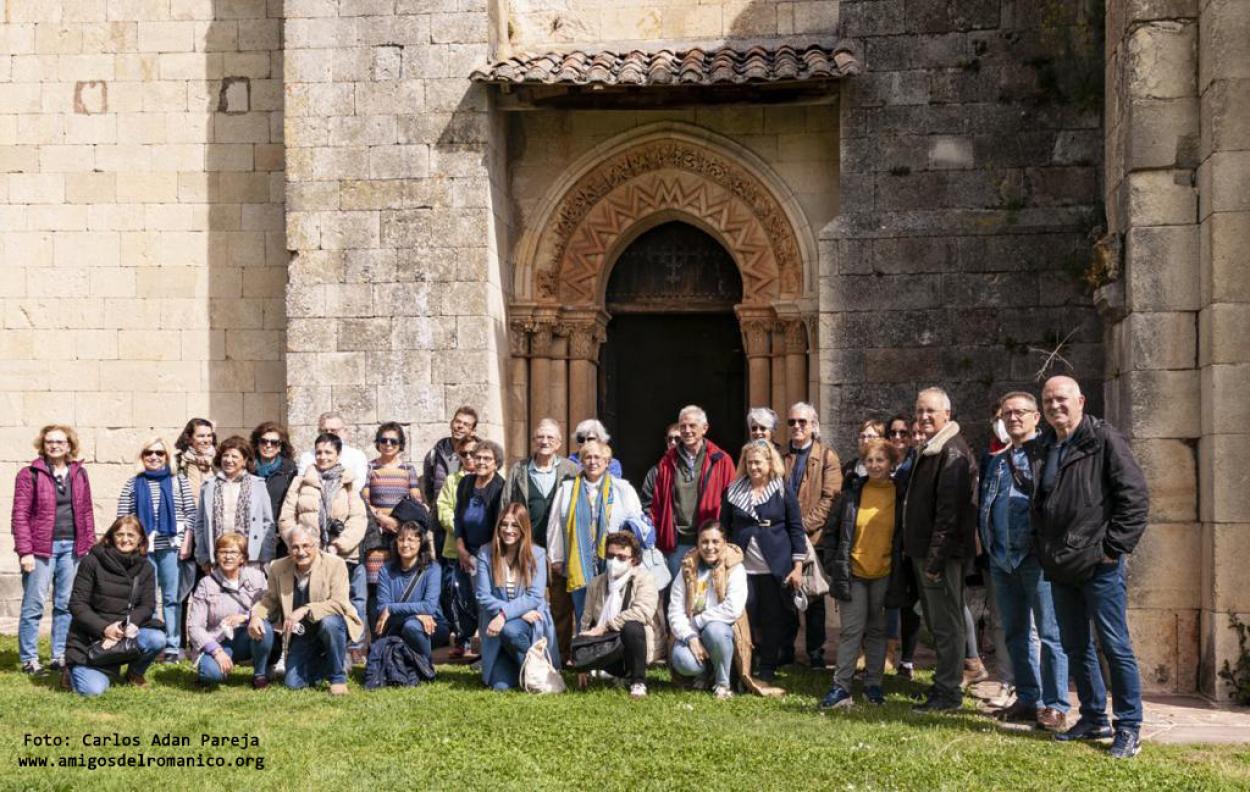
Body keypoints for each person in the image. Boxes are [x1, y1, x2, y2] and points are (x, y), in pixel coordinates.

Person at [1034, 376, 1148, 759]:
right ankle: (1094, 716)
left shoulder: (1104, 439)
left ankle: (1129, 726)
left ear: (1080, 400)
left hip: (1099, 564)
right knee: (1075, 646)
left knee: (1115, 645)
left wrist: (1112, 549)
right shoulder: (1047, 445)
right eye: (1048, 401)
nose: (1055, 406)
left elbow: (1135, 497)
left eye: (1062, 399)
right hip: (1061, 564)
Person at [979, 391, 1069, 730]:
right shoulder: (997, 461)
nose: (1013, 418)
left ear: (1036, 417)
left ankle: (1055, 704)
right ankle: (1028, 698)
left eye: (1020, 412)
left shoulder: (1048, 456)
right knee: (1015, 633)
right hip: (1003, 559)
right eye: (1007, 413)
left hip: (1036, 558)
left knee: (1049, 633)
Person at [902, 387, 979, 713]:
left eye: (930, 411)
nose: (923, 417)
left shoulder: (952, 453)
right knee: (938, 623)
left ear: (947, 413)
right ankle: (943, 685)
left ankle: (948, 693)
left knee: (947, 625)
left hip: (941, 556)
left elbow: (949, 515)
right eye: (920, 411)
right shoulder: (935, 448)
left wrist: (934, 560)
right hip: (927, 553)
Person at [819, 438, 907, 709]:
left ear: (892, 463)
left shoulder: (901, 494)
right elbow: (832, 531)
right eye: (869, 460)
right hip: (854, 571)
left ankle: (873, 685)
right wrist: (834, 565)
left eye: (880, 460)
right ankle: (841, 686)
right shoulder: (852, 493)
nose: (874, 465)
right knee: (851, 631)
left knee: (878, 631)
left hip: (885, 572)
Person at [12, 424, 96, 675]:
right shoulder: (30, 474)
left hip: (72, 548)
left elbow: (87, 512)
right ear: (43, 444)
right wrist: (24, 551)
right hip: (41, 549)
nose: (55, 445)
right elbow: (20, 515)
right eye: (50, 441)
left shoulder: (79, 473)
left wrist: (88, 544)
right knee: (33, 605)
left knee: (65, 604)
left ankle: (59, 655)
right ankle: (29, 658)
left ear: (69, 445)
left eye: (60, 441)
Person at [721, 440, 806, 684]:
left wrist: (797, 566)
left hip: (774, 566)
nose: (753, 467)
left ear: (770, 464)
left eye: (758, 462)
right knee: (746, 615)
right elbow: (724, 526)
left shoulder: (781, 488)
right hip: (742, 567)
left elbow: (795, 528)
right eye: (749, 462)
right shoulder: (733, 490)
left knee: (772, 617)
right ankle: (745, 662)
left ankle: (768, 665)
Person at [280, 432, 369, 663]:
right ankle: (307, 651)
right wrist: (299, 544)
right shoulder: (300, 482)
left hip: (342, 555)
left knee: (349, 601)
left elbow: (358, 519)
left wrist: (340, 545)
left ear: (338, 454)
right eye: (319, 452)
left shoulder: (348, 483)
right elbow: (287, 518)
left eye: (328, 452)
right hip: (309, 557)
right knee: (311, 603)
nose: (323, 456)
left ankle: (349, 650)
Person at [247, 526, 363, 694]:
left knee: (329, 623)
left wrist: (305, 609)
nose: (300, 552)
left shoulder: (335, 564)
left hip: (332, 626)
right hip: (302, 633)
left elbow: (339, 603)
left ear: (317, 545)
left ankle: (338, 677)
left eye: (306, 546)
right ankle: (334, 661)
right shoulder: (278, 567)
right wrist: (256, 615)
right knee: (293, 683)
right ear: (288, 548)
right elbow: (270, 600)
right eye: (295, 547)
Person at [547, 439, 644, 633]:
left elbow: (637, 523)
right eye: (587, 457)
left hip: (613, 561)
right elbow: (556, 524)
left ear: (607, 462)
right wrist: (556, 557)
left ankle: (612, 651)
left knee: (612, 607)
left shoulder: (622, 489)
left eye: (598, 457)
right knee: (584, 610)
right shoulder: (567, 489)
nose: (592, 462)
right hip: (578, 562)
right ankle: (586, 649)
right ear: (581, 461)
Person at [64, 516, 166, 696]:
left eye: (131, 535)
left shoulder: (146, 567)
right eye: (120, 534)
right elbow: (77, 605)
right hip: (91, 638)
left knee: (156, 639)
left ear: (141, 539)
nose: (125, 539)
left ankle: (134, 674)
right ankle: (71, 673)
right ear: (111, 537)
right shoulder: (92, 561)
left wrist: (122, 628)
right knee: (93, 691)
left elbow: (148, 605)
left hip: (122, 633)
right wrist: (104, 629)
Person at [669, 521, 772, 699]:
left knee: (714, 630)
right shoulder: (687, 567)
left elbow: (732, 608)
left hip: (722, 631)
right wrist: (691, 636)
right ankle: (704, 672)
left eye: (715, 542)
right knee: (682, 660)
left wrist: (699, 621)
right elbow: (675, 610)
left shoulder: (735, 568)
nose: (710, 547)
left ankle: (723, 683)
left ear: (725, 543)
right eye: (704, 542)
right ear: (697, 544)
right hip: (692, 631)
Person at [503, 418, 580, 656]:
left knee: (560, 605)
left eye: (550, 438)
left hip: (560, 549)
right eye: (540, 437)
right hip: (527, 547)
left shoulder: (571, 470)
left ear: (558, 443)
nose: (544, 442)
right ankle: (528, 652)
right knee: (527, 601)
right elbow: (505, 506)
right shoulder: (519, 470)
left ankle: (561, 655)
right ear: (533, 441)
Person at [116, 435, 196, 663]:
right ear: (142, 457)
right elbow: (122, 518)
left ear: (167, 456)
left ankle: (172, 646)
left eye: (159, 453)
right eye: (148, 453)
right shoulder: (133, 483)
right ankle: (149, 644)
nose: (153, 457)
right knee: (146, 599)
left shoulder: (178, 481)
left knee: (172, 598)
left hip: (171, 548)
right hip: (142, 551)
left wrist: (187, 542)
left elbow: (191, 513)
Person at [781, 401, 843, 669]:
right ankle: (786, 649)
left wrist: (799, 527)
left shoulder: (828, 457)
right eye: (792, 422)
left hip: (813, 538)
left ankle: (816, 651)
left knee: (814, 596)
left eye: (802, 422)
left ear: (813, 425)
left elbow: (830, 500)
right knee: (786, 596)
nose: (796, 427)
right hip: (785, 539)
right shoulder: (781, 456)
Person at [474, 504, 559, 690]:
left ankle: (537, 674)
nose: (509, 530)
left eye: (515, 525)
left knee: (510, 630)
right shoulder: (485, 553)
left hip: (526, 624)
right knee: (500, 687)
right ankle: (521, 668)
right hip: (505, 626)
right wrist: (516, 613)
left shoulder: (537, 553)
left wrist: (504, 615)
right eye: (504, 524)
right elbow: (482, 595)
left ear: (524, 528)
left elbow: (535, 596)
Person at [574, 530, 664, 698]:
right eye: (610, 556)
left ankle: (638, 682)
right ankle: (613, 673)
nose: (614, 561)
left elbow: (643, 612)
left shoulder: (645, 579)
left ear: (634, 560)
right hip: (606, 645)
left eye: (621, 557)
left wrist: (606, 626)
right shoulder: (596, 583)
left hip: (633, 645)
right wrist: (582, 662)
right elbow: (585, 622)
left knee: (632, 626)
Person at [650, 405, 737, 580]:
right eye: (683, 426)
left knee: (709, 596)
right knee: (677, 596)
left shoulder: (721, 460)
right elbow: (658, 503)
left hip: (711, 542)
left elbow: (732, 503)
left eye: (692, 426)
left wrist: (727, 539)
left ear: (704, 429)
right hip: (677, 543)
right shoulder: (667, 461)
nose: (687, 431)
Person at [187, 533, 273, 688]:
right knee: (210, 675)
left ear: (242, 558)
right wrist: (216, 651)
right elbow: (194, 626)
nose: (228, 557)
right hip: (219, 640)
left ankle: (260, 675)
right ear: (217, 556)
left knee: (263, 626)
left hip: (248, 636)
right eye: (222, 552)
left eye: (233, 552)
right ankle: (216, 665)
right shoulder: (205, 584)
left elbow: (269, 608)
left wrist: (247, 617)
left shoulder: (258, 577)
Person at [453, 439, 507, 657]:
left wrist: (484, 556)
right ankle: (483, 652)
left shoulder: (500, 487)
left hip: (490, 553)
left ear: (496, 463)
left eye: (487, 458)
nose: (481, 462)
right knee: (473, 602)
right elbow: (458, 518)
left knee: (488, 603)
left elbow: (500, 524)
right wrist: (461, 548)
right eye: (478, 457)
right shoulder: (466, 484)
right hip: (467, 552)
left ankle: (491, 654)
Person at [195, 435, 277, 571]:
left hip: (250, 559)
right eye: (225, 456)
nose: (229, 460)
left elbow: (267, 523)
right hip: (218, 558)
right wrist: (203, 557)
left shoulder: (258, 485)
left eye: (234, 456)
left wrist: (265, 557)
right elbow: (200, 524)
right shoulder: (208, 486)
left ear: (244, 461)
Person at [373, 521, 448, 664]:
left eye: (411, 540)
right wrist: (417, 615)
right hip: (397, 625)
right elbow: (382, 607)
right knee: (410, 624)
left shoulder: (432, 569)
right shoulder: (385, 570)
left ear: (421, 543)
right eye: (401, 539)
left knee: (412, 626)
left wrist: (392, 608)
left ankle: (425, 668)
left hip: (432, 625)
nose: (405, 544)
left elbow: (429, 607)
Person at [884, 412, 920, 676]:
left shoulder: (916, 462)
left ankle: (907, 660)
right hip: (884, 542)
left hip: (907, 543)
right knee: (887, 601)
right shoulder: (881, 463)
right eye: (892, 433)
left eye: (903, 433)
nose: (897, 437)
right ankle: (885, 654)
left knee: (909, 604)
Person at [437, 435, 477, 657]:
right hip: (455, 547)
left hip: (480, 549)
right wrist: (459, 528)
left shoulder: (489, 478)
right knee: (457, 593)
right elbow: (443, 508)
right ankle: (463, 639)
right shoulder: (452, 480)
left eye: (473, 453)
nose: (469, 458)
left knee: (478, 594)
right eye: (464, 454)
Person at [362, 422, 423, 538]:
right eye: (384, 440)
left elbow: (416, 502)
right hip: (376, 530)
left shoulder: (408, 469)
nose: (388, 444)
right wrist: (382, 519)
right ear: (378, 443)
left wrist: (398, 523)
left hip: (403, 531)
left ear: (400, 444)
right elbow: (364, 502)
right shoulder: (369, 468)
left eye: (393, 441)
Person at [250, 422, 299, 557]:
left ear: (280, 447)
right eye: (264, 441)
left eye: (274, 442)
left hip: (278, 537)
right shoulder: (247, 468)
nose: (268, 445)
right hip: (250, 533)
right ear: (257, 444)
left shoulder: (290, 470)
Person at [422, 405, 478, 508]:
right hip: (442, 514)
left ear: (473, 431)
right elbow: (428, 487)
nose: (460, 426)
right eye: (457, 421)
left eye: (466, 424)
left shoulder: (482, 455)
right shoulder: (434, 454)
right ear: (451, 424)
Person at [296, 411, 369, 486]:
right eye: (324, 431)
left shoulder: (357, 456)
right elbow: (303, 483)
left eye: (333, 430)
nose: (329, 434)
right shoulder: (307, 457)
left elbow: (357, 486)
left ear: (344, 432)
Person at [639, 424, 680, 515]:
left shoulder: (694, 468)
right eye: (670, 439)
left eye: (677, 439)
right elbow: (646, 502)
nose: (673, 442)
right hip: (663, 524)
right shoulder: (655, 471)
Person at [174, 418, 217, 505]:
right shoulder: (178, 461)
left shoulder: (220, 460)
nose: (206, 440)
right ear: (189, 438)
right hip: (189, 514)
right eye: (201, 436)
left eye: (209, 435)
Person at [842, 418, 886, 486]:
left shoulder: (888, 468)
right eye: (862, 436)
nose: (865, 441)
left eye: (870, 437)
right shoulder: (849, 467)